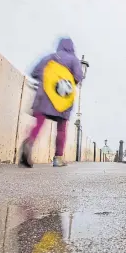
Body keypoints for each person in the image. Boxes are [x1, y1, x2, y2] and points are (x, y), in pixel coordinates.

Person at [19, 38, 83, 168]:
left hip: (44, 95)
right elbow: (78, 77)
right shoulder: (73, 60)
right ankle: (58, 158)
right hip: (62, 98)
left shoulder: (49, 57)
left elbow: (34, 72)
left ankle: (30, 141)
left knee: (39, 123)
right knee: (61, 129)